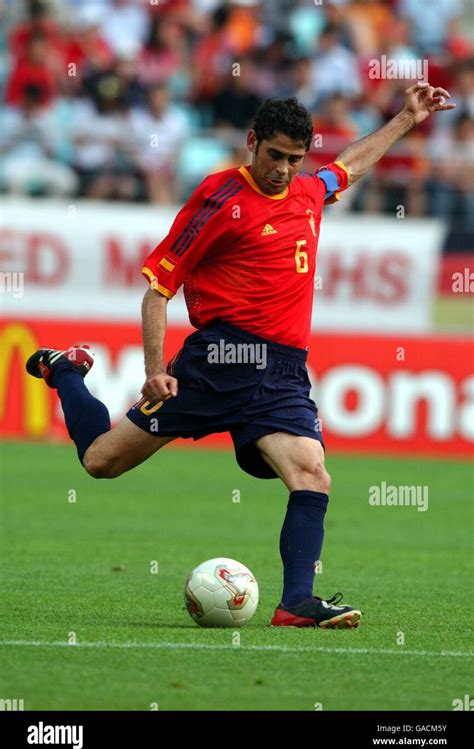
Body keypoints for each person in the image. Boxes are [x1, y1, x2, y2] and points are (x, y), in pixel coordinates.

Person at [26, 83, 454, 628]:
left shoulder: (305, 192)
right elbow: (159, 288)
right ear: (252, 143)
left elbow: (349, 167)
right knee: (100, 462)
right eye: (274, 155)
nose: (281, 169)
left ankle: (296, 603)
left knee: (312, 475)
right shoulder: (219, 199)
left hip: (283, 371)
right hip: (219, 361)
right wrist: (155, 370)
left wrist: (406, 119)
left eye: (294, 159)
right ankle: (66, 372)